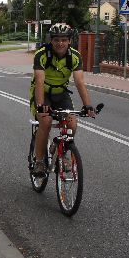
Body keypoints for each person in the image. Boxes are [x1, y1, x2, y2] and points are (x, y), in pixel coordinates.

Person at [30, 22, 96, 177]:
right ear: (51, 41)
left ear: (69, 41)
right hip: (43, 93)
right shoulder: (42, 55)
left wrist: (88, 106)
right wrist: (41, 106)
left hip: (61, 93)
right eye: (56, 39)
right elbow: (39, 82)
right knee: (45, 122)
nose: (60, 43)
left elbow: (79, 82)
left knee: (72, 124)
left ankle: (60, 150)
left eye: (64, 40)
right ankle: (39, 162)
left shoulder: (74, 56)